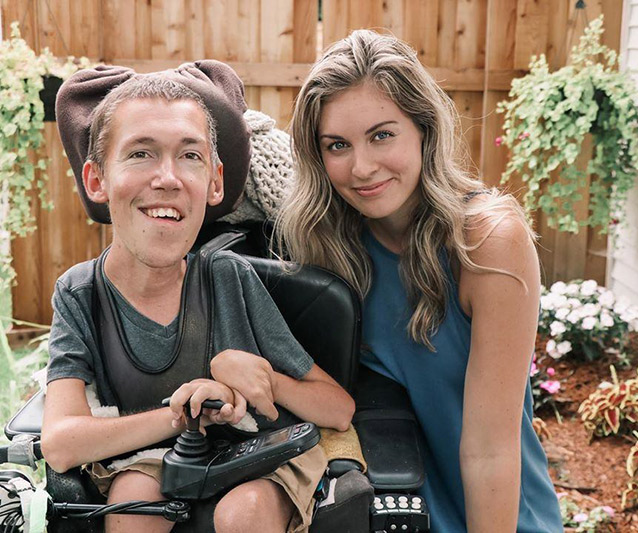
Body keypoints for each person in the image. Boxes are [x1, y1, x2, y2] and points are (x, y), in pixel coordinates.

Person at [42, 65, 354, 533]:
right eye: (141, 153)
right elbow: (62, 443)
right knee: (133, 499)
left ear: (214, 182)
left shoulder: (228, 278)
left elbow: (338, 409)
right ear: (96, 180)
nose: (167, 177)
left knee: (243, 513)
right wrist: (189, 412)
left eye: (190, 155)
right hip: (152, 456)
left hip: (257, 455)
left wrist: (260, 376)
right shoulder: (80, 294)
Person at [276, 30, 562, 532]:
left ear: (424, 129)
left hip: (497, 516)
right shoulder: (324, 245)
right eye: (337, 145)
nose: (362, 168)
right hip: (393, 512)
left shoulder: (487, 241)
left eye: (382, 135)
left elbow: (490, 448)